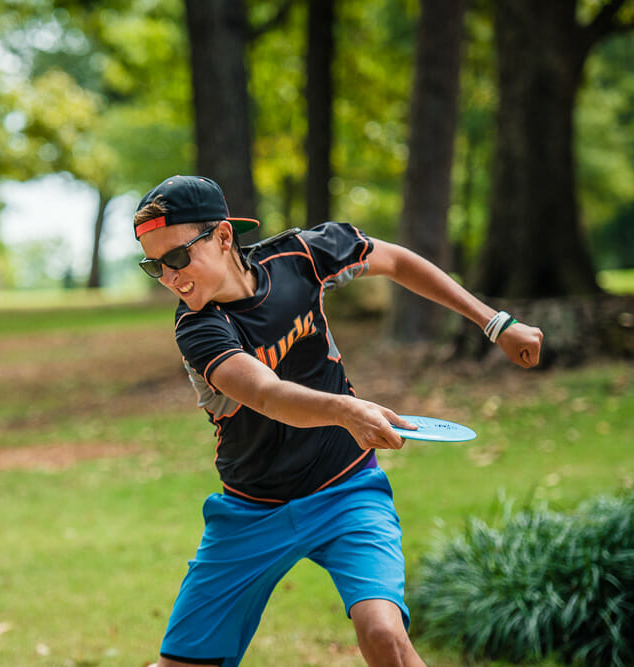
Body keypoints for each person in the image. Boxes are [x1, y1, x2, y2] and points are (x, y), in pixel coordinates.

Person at [134, 175, 543, 667]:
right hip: (250, 512)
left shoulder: (301, 257)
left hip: (345, 490)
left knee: (383, 634)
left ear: (223, 236)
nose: (169, 277)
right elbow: (264, 393)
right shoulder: (199, 328)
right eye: (153, 266)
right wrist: (348, 410)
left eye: (177, 258)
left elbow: (395, 260)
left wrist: (494, 322)